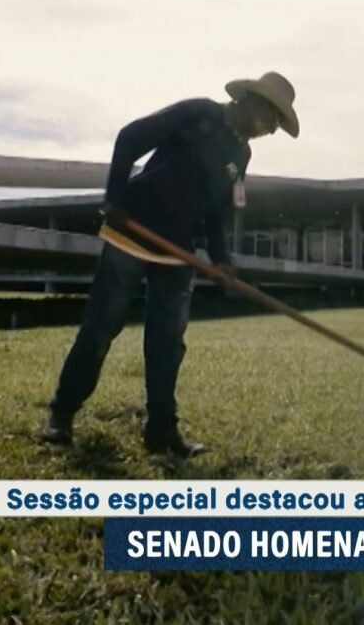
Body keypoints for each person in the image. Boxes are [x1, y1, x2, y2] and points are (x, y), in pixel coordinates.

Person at [41, 71, 300, 457]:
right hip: (131, 230)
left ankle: (161, 430)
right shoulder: (198, 113)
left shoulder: (241, 154)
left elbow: (216, 213)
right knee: (102, 324)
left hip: (177, 249)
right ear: (250, 101)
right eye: (270, 119)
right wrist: (112, 199)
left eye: (276, 126)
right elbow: (130, 138)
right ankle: (61, 415)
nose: (269, 130)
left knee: (167, 341)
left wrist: (223, 261)